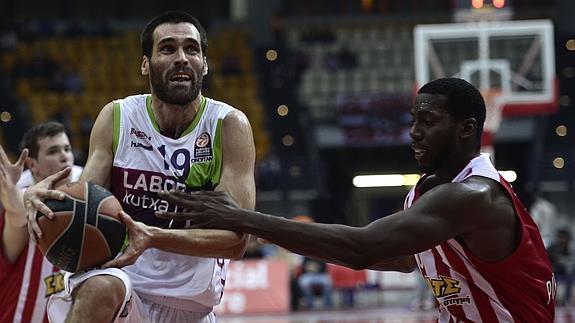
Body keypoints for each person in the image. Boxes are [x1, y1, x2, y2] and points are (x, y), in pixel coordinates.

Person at [155, 78, 555, 322]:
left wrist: (245, 219)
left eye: (428, 122)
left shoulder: (475, 196)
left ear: (468, 130)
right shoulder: (428, 192)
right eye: (413, 120)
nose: (414, 132)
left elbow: (361, 248)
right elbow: (399, 258)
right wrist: (270, 235)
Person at [24, 11, 255, 323]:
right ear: (145, 63)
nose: (182, 58)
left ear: (205, 63)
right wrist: (43, 203)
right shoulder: (117, 117)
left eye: (192, 49)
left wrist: (154, 237)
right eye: (168, 49)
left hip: (191, 304)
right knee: (99, 288)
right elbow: (86, 208)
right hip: (123, 282)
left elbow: (237, 242)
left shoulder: (229, 126)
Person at [0, 121, 81, 323]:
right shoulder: (23, 194)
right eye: (53, 151)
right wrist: (10, 192)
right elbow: (17, 211)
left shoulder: (86, 189)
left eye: (67, 149)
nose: (64, 156)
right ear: (33, 164)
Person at [547, 228, 574, 306]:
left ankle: (566, 299)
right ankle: (553, 299)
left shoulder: (567, 248)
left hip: (564, 272)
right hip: (552, 272)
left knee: (570, 278)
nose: (564, 240)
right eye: (562, 237)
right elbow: (552, 259)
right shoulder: (553, 247)